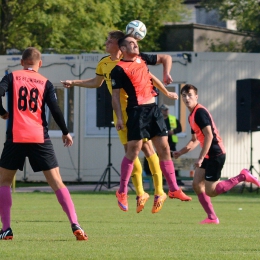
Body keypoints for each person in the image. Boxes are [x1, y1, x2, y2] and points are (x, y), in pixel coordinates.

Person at [61, 30, 188, 214]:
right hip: (128, 112)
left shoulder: (138, 58)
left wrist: (167, 92)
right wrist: (74, 82)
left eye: (109, 40)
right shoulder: (109, 65)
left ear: (118, 45)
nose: (106, 43)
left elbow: (150, 75)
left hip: (145, 109)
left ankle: (161, 191)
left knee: (152, 149)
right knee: (133, 151)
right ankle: (139, 192)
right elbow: (97, 83)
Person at [0, 47, 88, 240]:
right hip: (39, 137)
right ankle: (75, 223)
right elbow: (55, 110)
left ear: (22, 62)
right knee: (57, 182)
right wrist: (66, 132)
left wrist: (2, 112)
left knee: (4, 182)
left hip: (15, 136)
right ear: (40, 64)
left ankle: (6, 228)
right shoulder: (45, 82)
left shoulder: (11, 77)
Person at [111, 35, 192, 212]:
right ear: (123, 49)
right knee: (133, 152)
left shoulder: (143, 58)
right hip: (136, 112)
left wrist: (166, 74)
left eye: (136, 42)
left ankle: (173, 189)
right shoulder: (117, 70)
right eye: (131, 44)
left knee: (163, 149)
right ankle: (122, 191)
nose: (135, 45)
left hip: (153, 110)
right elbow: (115, 97)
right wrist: (119, 117)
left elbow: (166, 58)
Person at [174, 84, 260, 224]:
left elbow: (209, 136)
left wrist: (201, 157)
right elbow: (195, 140)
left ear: (196, 96)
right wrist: (180, 152)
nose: (186, 98)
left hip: (215, 154)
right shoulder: (191, 116)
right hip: (208, 154)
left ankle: (242, 176)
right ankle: (212, 217)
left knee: (211, 191)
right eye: (184, 95)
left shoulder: (200, 112)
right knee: (196, 184)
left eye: (190, 95)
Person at [160, 104, 184, 186]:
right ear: (161, 111)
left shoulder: (173, 119)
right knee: (163, 162)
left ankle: (177, 179)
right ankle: (162, 180)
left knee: (174, 162)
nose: (166, 111)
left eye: (167, 110)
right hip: (161, 144)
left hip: (172, 144)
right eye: (164, 110)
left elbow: (180, 128)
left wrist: (173, 132)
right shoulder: (158, 120)